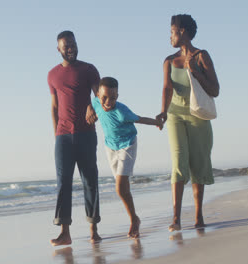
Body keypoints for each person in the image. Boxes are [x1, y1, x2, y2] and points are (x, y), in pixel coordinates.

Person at [156, 14, 220, 231]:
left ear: (182, 31)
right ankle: (175, 218)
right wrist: (163, 113)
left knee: (199, 164)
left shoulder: (202, 57)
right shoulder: (168, 61)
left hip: (198, 115)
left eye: (172, 31)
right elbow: (166, 88)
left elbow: (215, 90)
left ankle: (198, 215)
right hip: (175, 115)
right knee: (178, 161)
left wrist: (196, 72)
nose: (170, 36)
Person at [47, 30, 102, 246]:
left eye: (73, 44)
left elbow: (100, 97)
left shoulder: (88, 69)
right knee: (63, 183)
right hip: (63, 137)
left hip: (86, 133)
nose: (71, 48)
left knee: (90, 181)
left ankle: (93, 229)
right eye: (66, 46)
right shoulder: (52, 74)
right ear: (58, 49)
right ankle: (65, 232)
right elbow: (54, 107)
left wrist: (93, 105)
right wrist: (57, 134)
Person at [92, 77, 163, 238]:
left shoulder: (122, 112)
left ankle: (133, 219)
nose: (108, 102)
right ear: (97, 95)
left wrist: (157, 122)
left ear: (117, 96)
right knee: (123, 188)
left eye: (113, 98)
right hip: (110, 147)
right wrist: (89, 110)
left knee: (119, 187)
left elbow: (139, 119)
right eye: (104, 97)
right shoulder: (95, 103)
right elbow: (92, 105)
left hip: (127, 145)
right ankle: (135, 219)